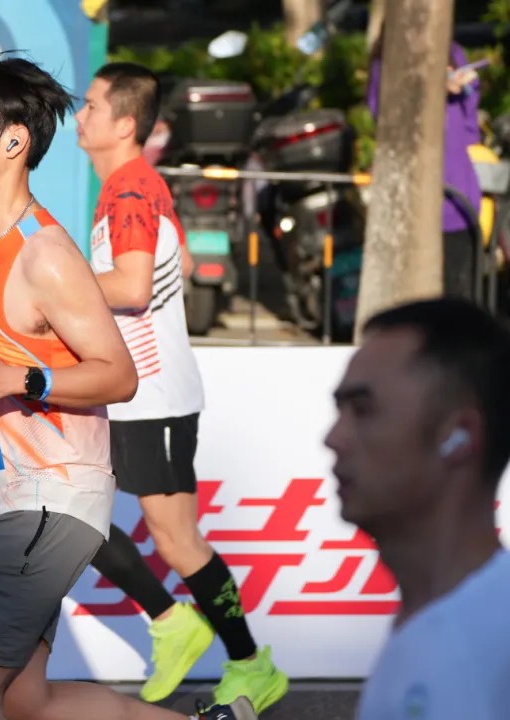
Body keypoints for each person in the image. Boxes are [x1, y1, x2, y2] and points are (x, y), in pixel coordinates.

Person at [0, 56, 258, 720]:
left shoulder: (46, 255)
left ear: (13, 142)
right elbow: (1, 347)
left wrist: (21, 380)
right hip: (8, 495)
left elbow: (118, 373)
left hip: (47, 497)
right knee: (26, 699)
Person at [74, 61, 288, 714]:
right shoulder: (135, 186)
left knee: (176, 539)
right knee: (76, 514)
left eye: (91, 106)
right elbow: (185, 263)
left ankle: (249, 664)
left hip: (154, 396)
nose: (79, 116)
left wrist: (53, 291)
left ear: (124, 124)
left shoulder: (130, 191)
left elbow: (133, 286)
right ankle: (173, 622)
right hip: (126, 390)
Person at [324, 297, 510, 719]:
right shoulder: (429, 623)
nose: (333, 438)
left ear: (459, 437)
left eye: (364, 410)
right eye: (340, 410)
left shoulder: (489, 641)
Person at [368, 33, 482, 300]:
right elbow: (385, 115)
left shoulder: (453, 52)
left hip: (458, 196)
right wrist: (435, 89)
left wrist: (468, 86)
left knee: (459, 291)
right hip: (412, 201)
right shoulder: (388, 61)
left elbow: (469, 127)